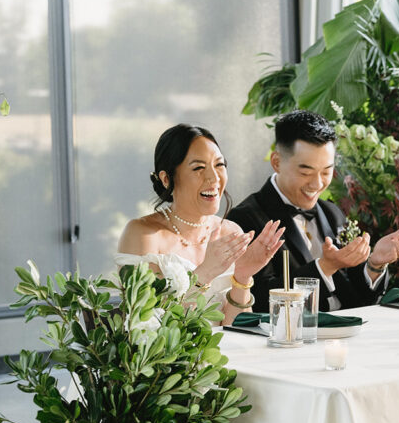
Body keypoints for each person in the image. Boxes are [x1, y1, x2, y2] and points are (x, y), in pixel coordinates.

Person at [228, 110, 399, 312]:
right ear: (277, 162)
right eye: (305, 172)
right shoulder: (243, 219)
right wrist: (325, 267)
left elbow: (359, 299)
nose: (317, 184)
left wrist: (375, 264)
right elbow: (257, 301)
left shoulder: (333, 213)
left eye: (326, 171)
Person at [117, 124, 285, 325]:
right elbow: (146, 327)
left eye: (219, 165)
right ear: (166, 179)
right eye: (198, 168)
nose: (213, 178)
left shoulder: (231, 231)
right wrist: (205, 273)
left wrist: (242, 277)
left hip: (230, 355)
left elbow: (237, 328)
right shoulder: (143, 235)